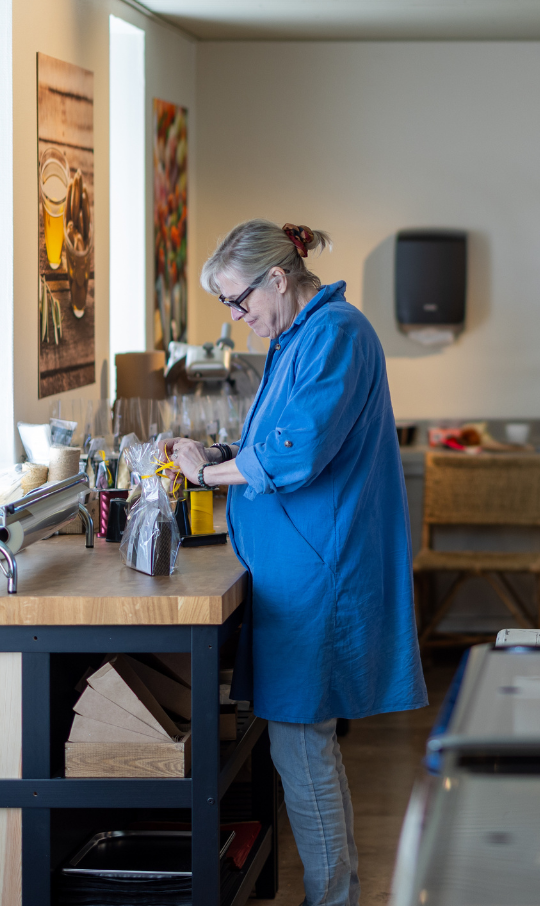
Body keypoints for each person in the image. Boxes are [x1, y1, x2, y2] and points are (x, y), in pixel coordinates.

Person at [167, 220, 426, 906]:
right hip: (297, 571)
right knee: (302, 745)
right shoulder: (298, 337)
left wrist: (205, 477)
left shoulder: (335, 333)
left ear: (278, 278)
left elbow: (295, 451)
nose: (237, 316)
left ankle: (333, 897)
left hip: (318, 575)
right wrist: (222, 455)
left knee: (300, 747)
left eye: (238, 300)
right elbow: (268, 437)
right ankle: (334, 893)